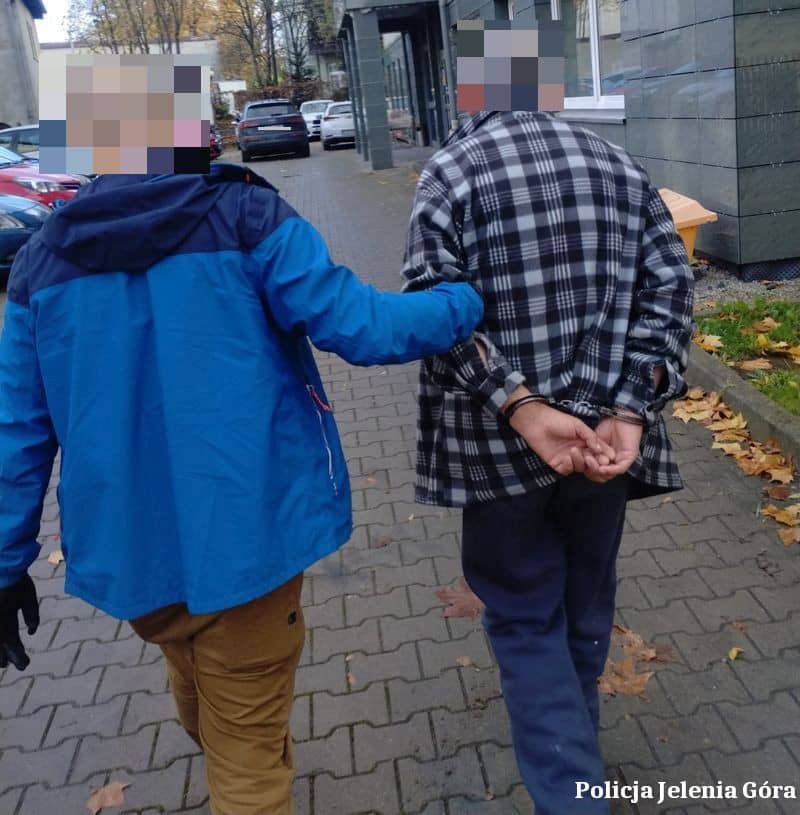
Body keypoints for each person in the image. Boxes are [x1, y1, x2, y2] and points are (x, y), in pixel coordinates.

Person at [0, 163, 493, 815]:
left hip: (134, 556)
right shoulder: (244, 215)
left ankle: (233, 742)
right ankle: (244, 757)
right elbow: (365, 325)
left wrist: (5, 564)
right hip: (249, 540)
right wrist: (465, 301)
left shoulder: (40, 260)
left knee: (199, 679)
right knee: (248, 767)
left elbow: (16, 431)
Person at [402, 111, 694, 815]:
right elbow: (671, 288)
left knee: (525, 618)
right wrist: (629, 408)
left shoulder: (452, 172)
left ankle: (571, 793)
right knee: (584, 600)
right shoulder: (618, 164)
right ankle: (577, 757)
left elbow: (433, 311)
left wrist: (520, 404)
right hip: (603, 447)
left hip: (497, 451)